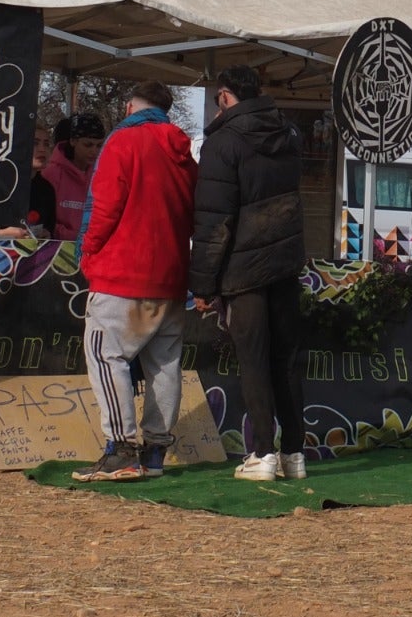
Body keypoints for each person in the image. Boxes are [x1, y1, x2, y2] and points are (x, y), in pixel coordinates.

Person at [71, 82, 198, 482]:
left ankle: (121, 449)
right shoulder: (184, 155)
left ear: (129, 106)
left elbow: (104, 206)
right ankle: (156, 450)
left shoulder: (122, 142)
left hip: (122, 273)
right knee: (164, 364)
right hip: (172, 275)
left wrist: (87, 253)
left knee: (107, 356)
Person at [190, 66, 308, 482]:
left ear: (224, 96)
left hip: (245, 269)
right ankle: (294, 453)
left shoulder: (221, 143)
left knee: (254, 360)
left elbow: (212, 221)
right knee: (286, 361)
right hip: (287, 262)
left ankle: (262, 453)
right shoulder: (290, 135)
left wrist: (203, 284)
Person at [41, 112, 105, 241]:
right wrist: (75, 236)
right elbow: (45, 222)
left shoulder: (101, 175)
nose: (94, 151)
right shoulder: (52, 174)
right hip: (59, 250)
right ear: (73, 141)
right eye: (88, 145)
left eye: (99, 146)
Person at [0, 122, 57, 238]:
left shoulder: (46, 189)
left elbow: (50, 227)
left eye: (46, 144)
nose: (42, 149)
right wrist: (2, 233)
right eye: (35, 143)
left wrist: (46, 234)